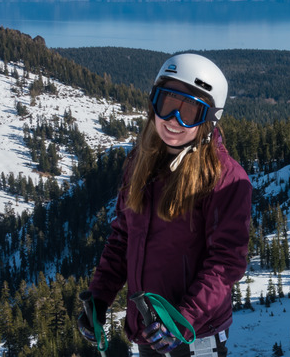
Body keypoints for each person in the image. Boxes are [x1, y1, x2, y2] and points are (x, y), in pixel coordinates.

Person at [78, 53, 252, 356]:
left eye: (190, 111)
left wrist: (182, 319)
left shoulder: (224, 178)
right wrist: (99, 297)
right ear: (152, 104)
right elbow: (123, 239)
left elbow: (225, 264)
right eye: (167, 104)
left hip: (193, 338)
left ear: (210, 120)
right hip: (150, 333)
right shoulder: (140, 163)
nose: (174, 121)